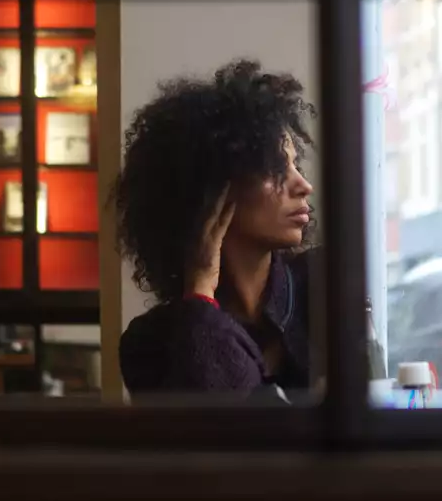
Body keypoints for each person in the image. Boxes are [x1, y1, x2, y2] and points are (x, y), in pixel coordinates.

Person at [114, 59, 319, 401]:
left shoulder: (323, 288)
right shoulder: (150, 344)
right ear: (213, 190)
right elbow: (235, 439)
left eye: (296, 164)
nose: (303, 185)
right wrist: (200, 293)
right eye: (275, 169)